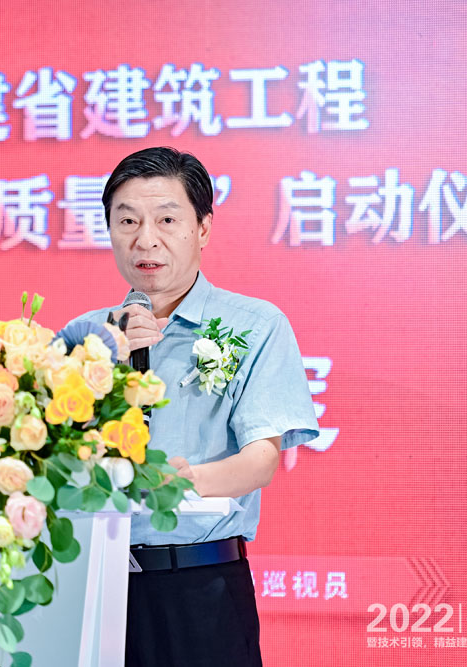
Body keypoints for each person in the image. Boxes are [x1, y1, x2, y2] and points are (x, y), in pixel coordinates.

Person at [64, 146, 319, 666]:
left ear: (202, 228)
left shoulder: (255, 325)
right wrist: (104, 360)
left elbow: (261, 461)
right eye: (127, 221)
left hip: (199, 587)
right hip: (86, 583)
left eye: (166, 219)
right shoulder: (82, 335)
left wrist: (186, 481)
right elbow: (48, 455)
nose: (145, 239)